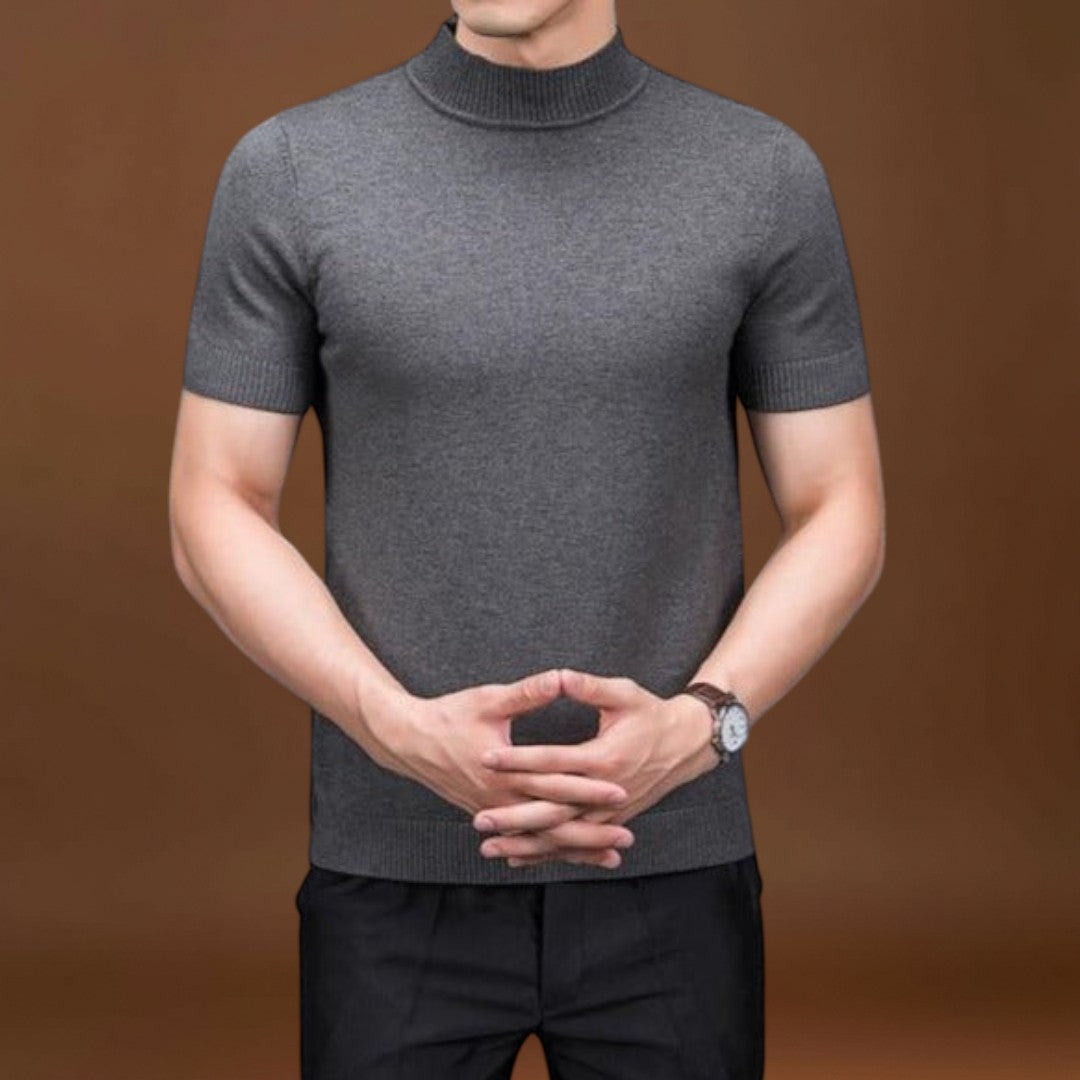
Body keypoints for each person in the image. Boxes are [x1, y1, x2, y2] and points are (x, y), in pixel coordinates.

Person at [168, 1, 885, 1077]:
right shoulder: (292, 172)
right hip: (393, 874)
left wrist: (702, 728)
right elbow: (212, 502)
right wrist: (393, 729)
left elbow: (842, 507)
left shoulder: (760, 175)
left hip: (673, 868)